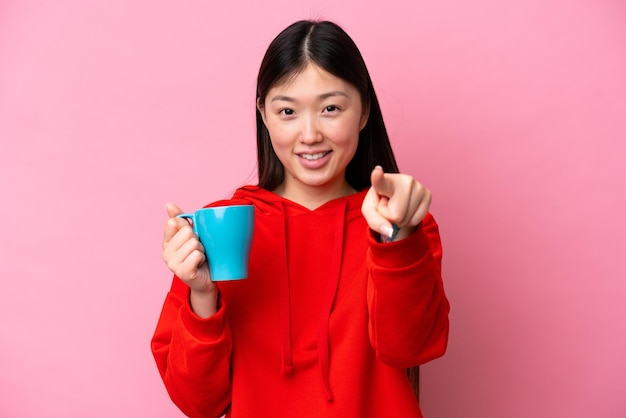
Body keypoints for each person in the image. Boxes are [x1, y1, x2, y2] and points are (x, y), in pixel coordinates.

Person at [151, 20, 450, 418]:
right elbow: (198, 403)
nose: (309, 135)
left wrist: (400, 242)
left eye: (330, 108)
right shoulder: (221, 229)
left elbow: (411, 348)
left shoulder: (398, 222)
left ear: (363, 111)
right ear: (264, 114)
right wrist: (201, 294)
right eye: (288, 111)